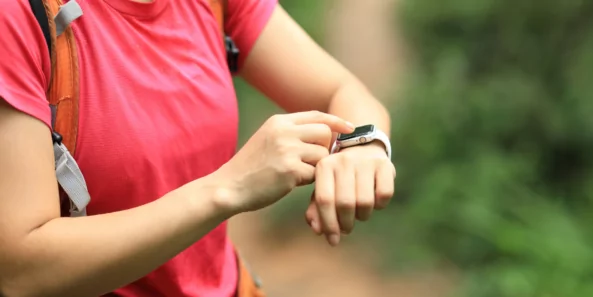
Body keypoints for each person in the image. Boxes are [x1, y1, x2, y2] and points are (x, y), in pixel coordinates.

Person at [0, 0, 395, 296]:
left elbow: (341, 93)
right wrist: (227, 189)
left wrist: (364, 145)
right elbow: (20, 270)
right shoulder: (18, 15)